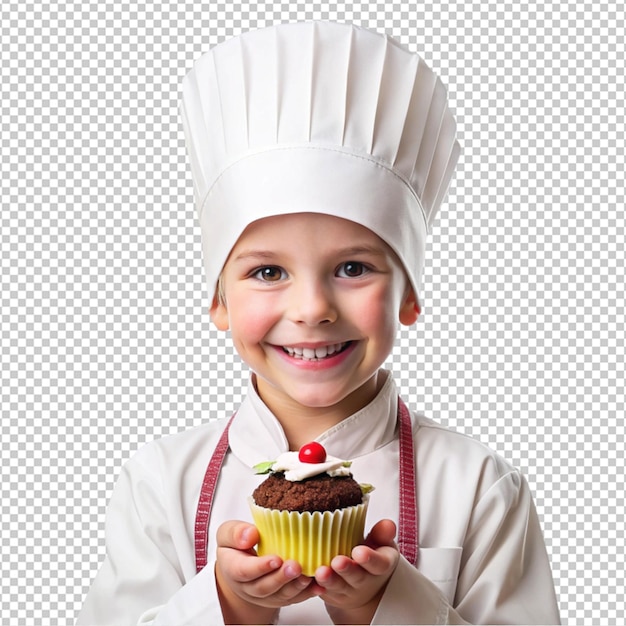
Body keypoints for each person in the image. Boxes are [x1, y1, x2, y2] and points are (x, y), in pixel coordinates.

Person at [77, 21, 560, 625]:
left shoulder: (480, 486)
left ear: (409, 296)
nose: (312, 308)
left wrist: (387, 605)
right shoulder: (161, 481)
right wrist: (227, 605)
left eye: (354, 267)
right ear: (219, 302)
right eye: (267, 273)